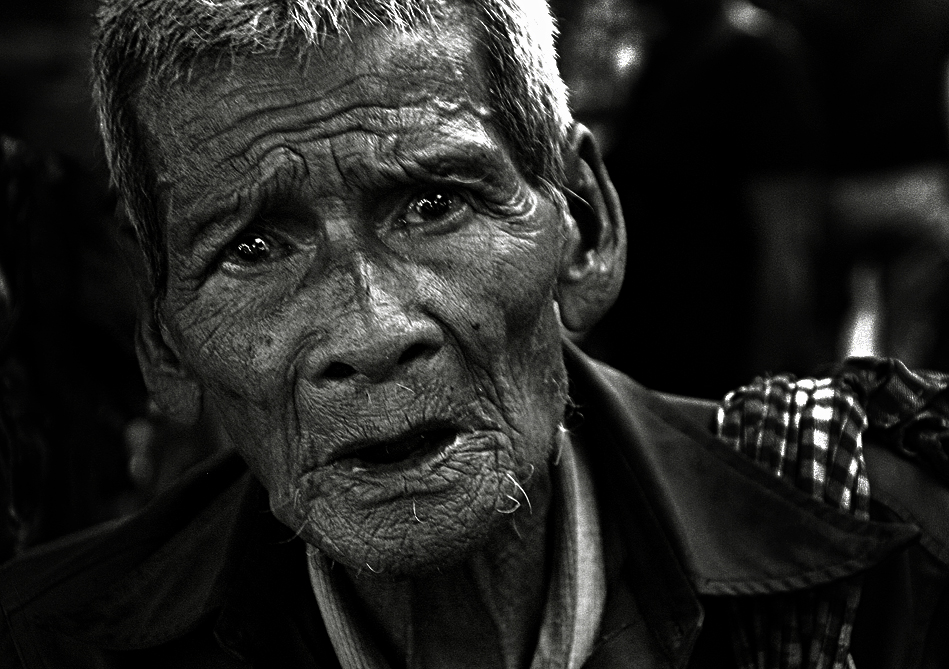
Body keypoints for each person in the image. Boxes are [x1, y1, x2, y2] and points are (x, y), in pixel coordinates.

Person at [0, 1, 947, 667]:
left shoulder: (893, 551)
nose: (371, 333)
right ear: (162, 334)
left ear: (586, 224)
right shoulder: (45, 641)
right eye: (252, 246)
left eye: (431, 203)